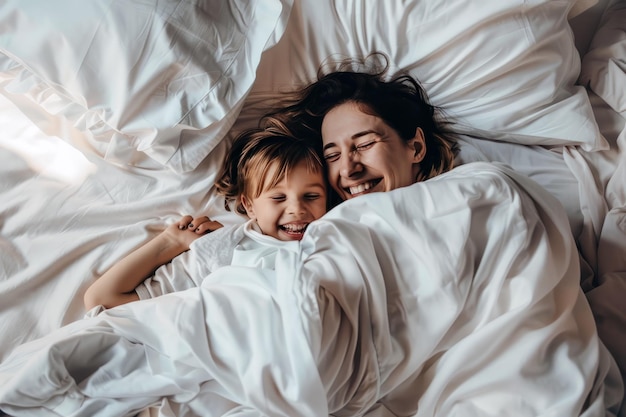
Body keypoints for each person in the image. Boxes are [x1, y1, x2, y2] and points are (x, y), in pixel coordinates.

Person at [83, 127, 328, 310]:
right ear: (249, 206)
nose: (297, 209)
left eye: (311, 196)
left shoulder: (337, 238)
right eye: (278, 198)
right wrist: (172, 242)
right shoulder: (222, 248)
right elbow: (102, 299)